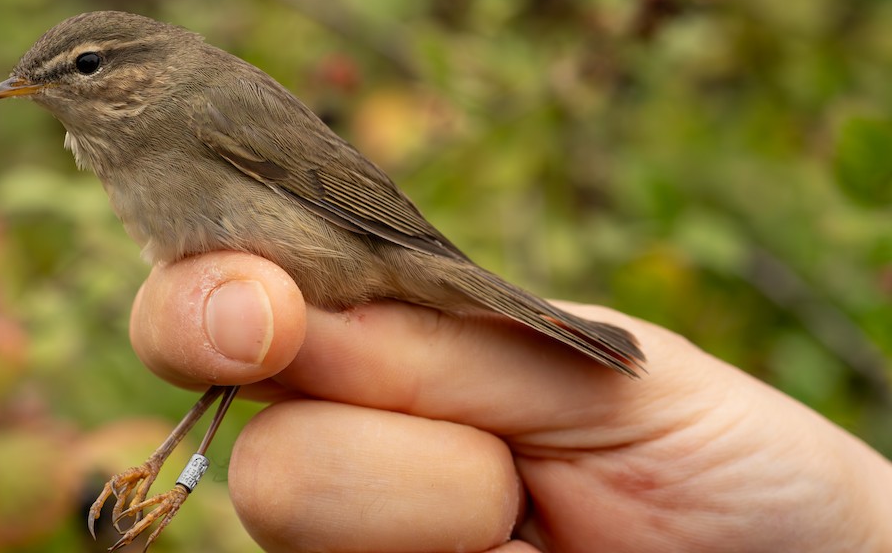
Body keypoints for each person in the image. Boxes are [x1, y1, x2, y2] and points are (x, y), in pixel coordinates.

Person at [127, 251, 892, 552]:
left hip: (347, 241)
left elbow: (324, 183)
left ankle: (180, 475)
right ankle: (176, 470)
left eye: (83, 69)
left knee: (255, 348)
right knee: (244, 353)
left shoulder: (197, 109)